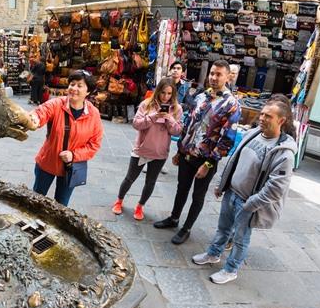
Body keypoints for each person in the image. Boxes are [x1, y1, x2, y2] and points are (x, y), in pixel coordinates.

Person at [192, 98, 297, 284]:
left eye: (268, 116)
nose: (262, 118)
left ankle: (231, 269)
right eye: (262, 114)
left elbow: (276, 188)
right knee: (223, 229)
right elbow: (235, 160)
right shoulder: (253, 133)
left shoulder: (284, 153)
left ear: (281, 121)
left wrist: (251, 204)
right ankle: (213, 254)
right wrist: (223, 184)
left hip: (248, 203)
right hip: (232, 192)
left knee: (240, 239)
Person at [154, 60, 241, 244]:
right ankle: (174, 218)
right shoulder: (201, 96)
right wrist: (180, 150)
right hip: (187, 154)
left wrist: (209, 163)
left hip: (206, 159)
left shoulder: (231, 104)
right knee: (181, 188)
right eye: (212, 73)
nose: (214, 77)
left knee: (197, 195)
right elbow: (189, 124)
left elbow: (227, 139)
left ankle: (187, 228)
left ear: (227, 77)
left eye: (219, 74)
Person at [28, 70, 103, 206]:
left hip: (71, 166)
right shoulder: (57, 104)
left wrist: (74, 155)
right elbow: (41, 112)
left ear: (88, 91)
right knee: (36, 199)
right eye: (72, 84)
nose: (74, 88)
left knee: (62, 205)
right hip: (48, 161)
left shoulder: (94, 114)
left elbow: (94, 144)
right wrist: (32, 118)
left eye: (79, 85)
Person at [112, 78, 183, 220]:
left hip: (160, 152)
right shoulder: (146, 104)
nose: (165, 97)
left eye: (169, 93)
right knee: (129, 178)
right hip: (142, 149)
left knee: (150, 182)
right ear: (158, 91)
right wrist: (153, 116)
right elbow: (136, 124)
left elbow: (177, 131)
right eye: (163, 92)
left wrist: (169, 118)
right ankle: (119, 200)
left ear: (173, 94)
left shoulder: (176, 109)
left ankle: (140, 206)